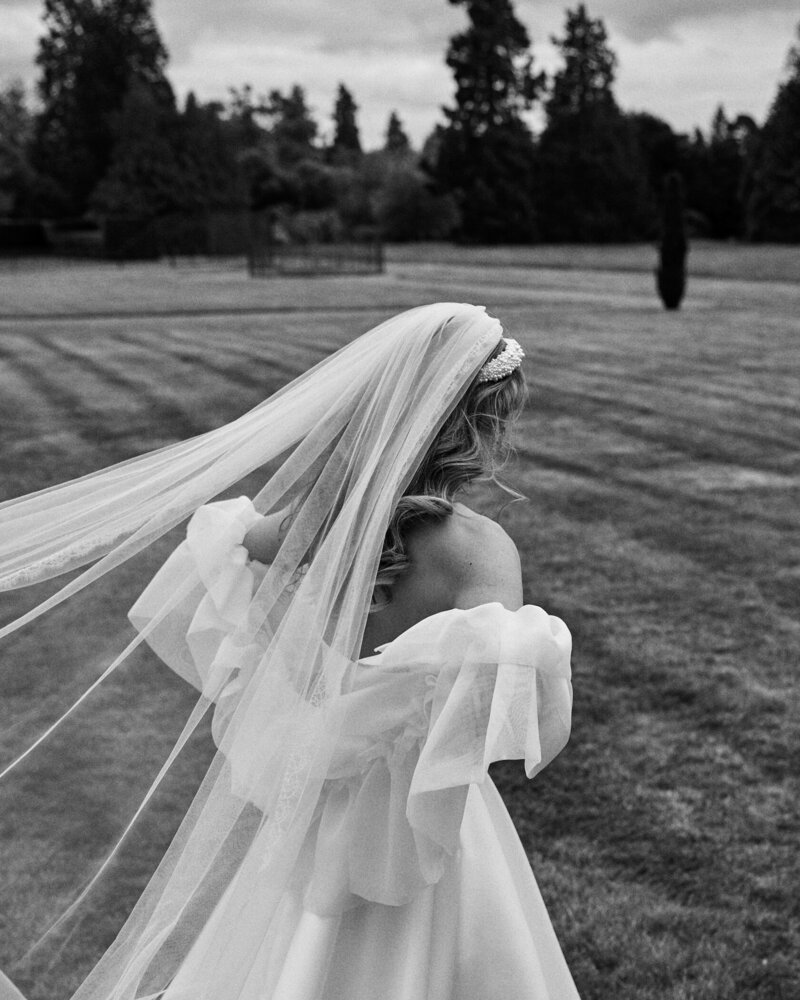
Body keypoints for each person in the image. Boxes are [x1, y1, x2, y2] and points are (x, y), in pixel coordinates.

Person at [0, 302, 580, 999]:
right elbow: (489, 713)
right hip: (426, 832)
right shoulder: (480, 552)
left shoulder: (316, 531)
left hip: (314, 818)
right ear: (477, 432)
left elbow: (228, 550)